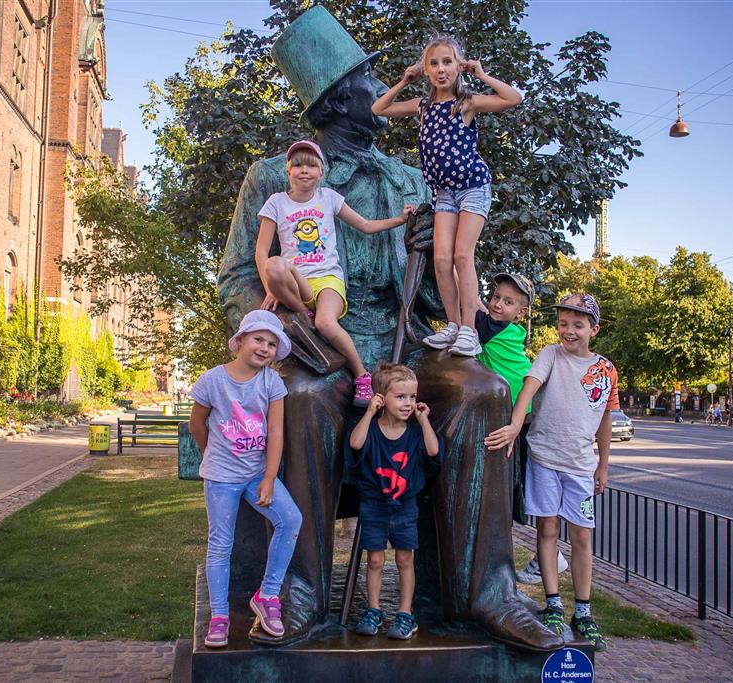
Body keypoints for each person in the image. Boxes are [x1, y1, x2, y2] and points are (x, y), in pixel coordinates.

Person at [219, 7, 562, 652]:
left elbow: (433, 295)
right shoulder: (272, 177)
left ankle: (485, 590)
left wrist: (434, 259)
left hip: (407, 344)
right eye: (367, 78)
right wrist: (271, 334)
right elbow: (238, 277)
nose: (381, 86)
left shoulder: (410, 179)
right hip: (317, 344)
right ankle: (298, 588)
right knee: (298, 398)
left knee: (482, 391)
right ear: (336, 99)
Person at [372, 34, 523, 357]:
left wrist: (481, 74)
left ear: (458, 66)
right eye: (434, 63)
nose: (441, 69)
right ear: (425, 69)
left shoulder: (466, 103)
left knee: (461, 256)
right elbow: (379, 107)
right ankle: (453, 325)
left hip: (472, 187)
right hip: (444, 193)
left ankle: (469, 329)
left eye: (447, 62)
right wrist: (405, 80)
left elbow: (513, 98)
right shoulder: (423, 106)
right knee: (441, 260)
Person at [486, 293, 619, 652]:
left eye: (577, 325)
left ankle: (584, 611)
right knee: (547, 529)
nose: (568, 331)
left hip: (580, 466)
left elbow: (605, 417)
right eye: (563, 324)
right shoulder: (549, 355)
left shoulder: (605, 370)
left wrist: (603, 464)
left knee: (582, 537)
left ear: (594, 329)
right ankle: (554, 603)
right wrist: (515, 426)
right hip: (545, 459)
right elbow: (528, 388)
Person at [257, 140, 414, 406]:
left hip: (327, 279)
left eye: (311, 166)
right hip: (295, 283)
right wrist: (271, 287)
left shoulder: (328, 197)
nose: (304, 170)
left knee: (326, 323)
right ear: (288, 171)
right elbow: (261, 252)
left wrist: (399, 220)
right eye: (298, 165)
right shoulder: (276, 202)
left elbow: (364, 225)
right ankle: (303, 313)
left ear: (321, 172)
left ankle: (362, 376)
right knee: (273, 264)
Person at [188, 310, 304, 649]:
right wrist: (212, 454)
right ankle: (219, 616)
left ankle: (267, 595)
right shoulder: (212, 381)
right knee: (220, 544)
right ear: (239, 341)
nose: (264, 348)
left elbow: (276, 432)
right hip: (221, 478)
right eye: (258, 339)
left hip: (256, 475)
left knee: (290, 519)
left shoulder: (272, 383)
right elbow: (197, 424)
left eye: (272, 344)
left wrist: (269, 477)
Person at [472, 272, 569, 584]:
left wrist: (461, 259)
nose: (497, 304)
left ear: (520, 313)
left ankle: (550, 556)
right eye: (495, 297)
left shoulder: (495, 330)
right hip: (525, 413)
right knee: (525, 485)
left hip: (526, 417)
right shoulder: (504, 328)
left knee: (528, 487)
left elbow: (468, 302)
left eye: (508, 302)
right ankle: (548, 554)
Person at [347, 364, 443, 640]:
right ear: (381, 398)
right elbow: (355, 444)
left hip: (405, 506)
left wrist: (424, 420)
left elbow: (433, 450)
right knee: (375, 559)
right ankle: (373, 609)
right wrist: (368, 412)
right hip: (374, 505)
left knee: (404, 559)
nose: (408, 403)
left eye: (412, 397)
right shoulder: (371, 429)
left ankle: (404, 613)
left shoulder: (414, 432)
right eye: (400, 397)